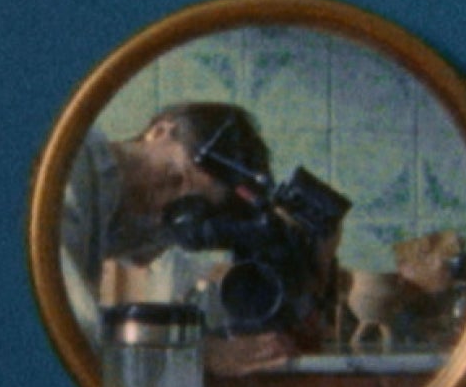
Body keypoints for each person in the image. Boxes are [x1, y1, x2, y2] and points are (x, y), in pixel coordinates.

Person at [59, 102, 293, 371]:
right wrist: (195, 355)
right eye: (175, 179)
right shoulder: (71, 158)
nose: (161, 215)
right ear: (160, 131)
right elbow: (70, 335)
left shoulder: (104, 212)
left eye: (187, 212)